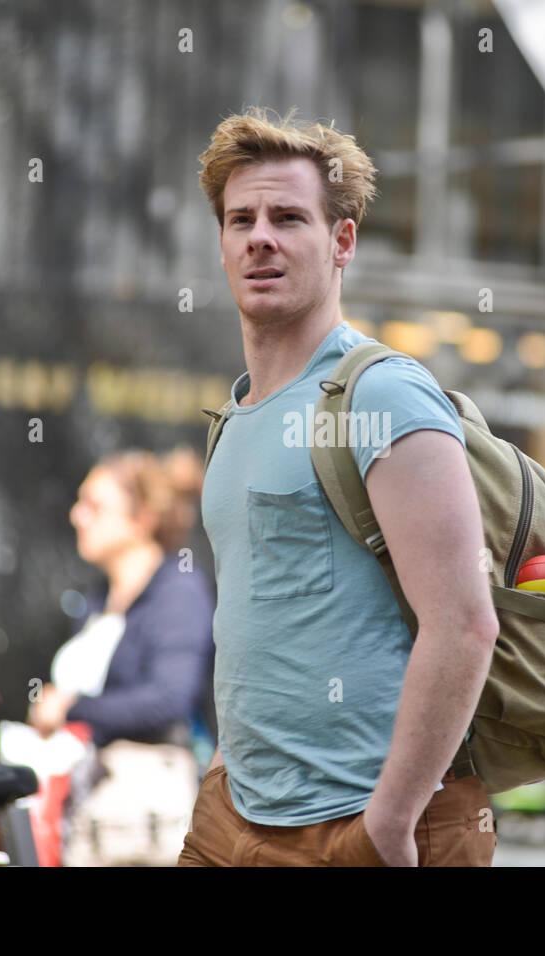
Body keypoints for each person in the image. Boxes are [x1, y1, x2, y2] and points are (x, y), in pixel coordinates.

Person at [177, 107, 499, 867]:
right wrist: (225, 769)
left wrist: (388, 821)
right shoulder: (235, 415)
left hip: (365, 823)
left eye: (289, 218)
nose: (260, 236)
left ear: (342, 241)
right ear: (222, 245)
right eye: (240, 219)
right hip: (234, 818)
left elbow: (463, 622)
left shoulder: (382, 396)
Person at [26, 447, 215, 865]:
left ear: (142, 518)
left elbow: (170, 698)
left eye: (94, 505)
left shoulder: (178, 592)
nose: (77, 515)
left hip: (145, 817)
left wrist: (72, 707)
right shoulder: (98, 601)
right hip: (93, 809)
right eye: (79, 503)